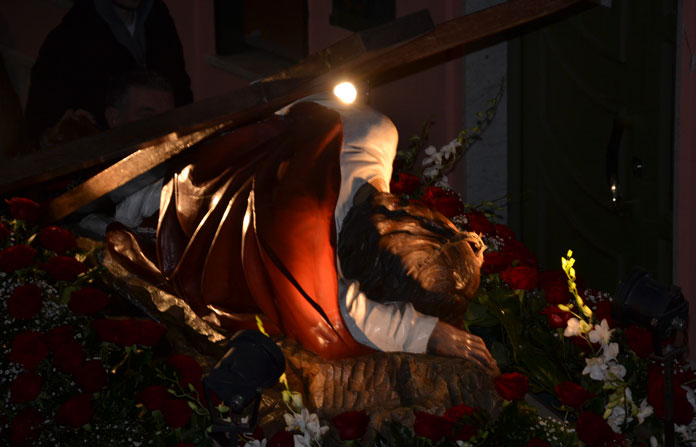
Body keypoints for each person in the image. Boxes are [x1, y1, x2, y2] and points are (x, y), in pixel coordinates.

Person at [106, 95, 497, 372]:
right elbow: (338, 324)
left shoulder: (376, 132)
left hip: (217, 165)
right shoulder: (310, 237)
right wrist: (427, 333)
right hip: (197, 204)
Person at [25, 0, 192, 147]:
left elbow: (182, 93)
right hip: (105, 159)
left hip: (166, 150)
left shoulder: (159, 23)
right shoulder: (66, 40)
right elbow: (42, 126)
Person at [75, 69, 175, 239]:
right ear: (114, 118)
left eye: (167, 117)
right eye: (148, 117)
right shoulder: (84, 170)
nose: (161, 127)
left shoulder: (184, 172)